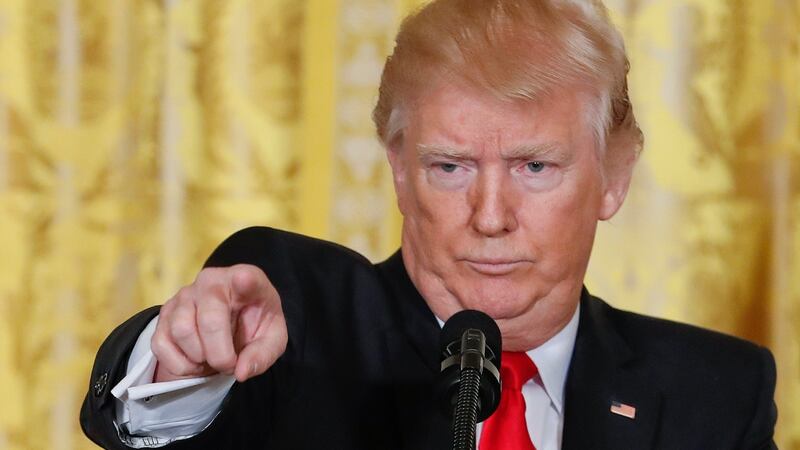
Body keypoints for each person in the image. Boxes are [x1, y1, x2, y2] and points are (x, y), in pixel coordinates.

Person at [80, 0, 777, 449]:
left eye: (535, 166)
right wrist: (185, 366)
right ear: (399, 170)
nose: (491, 216)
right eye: (451, 167)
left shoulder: (716, 394)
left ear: (614, 177)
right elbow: (158, 424)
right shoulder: (297, 319)